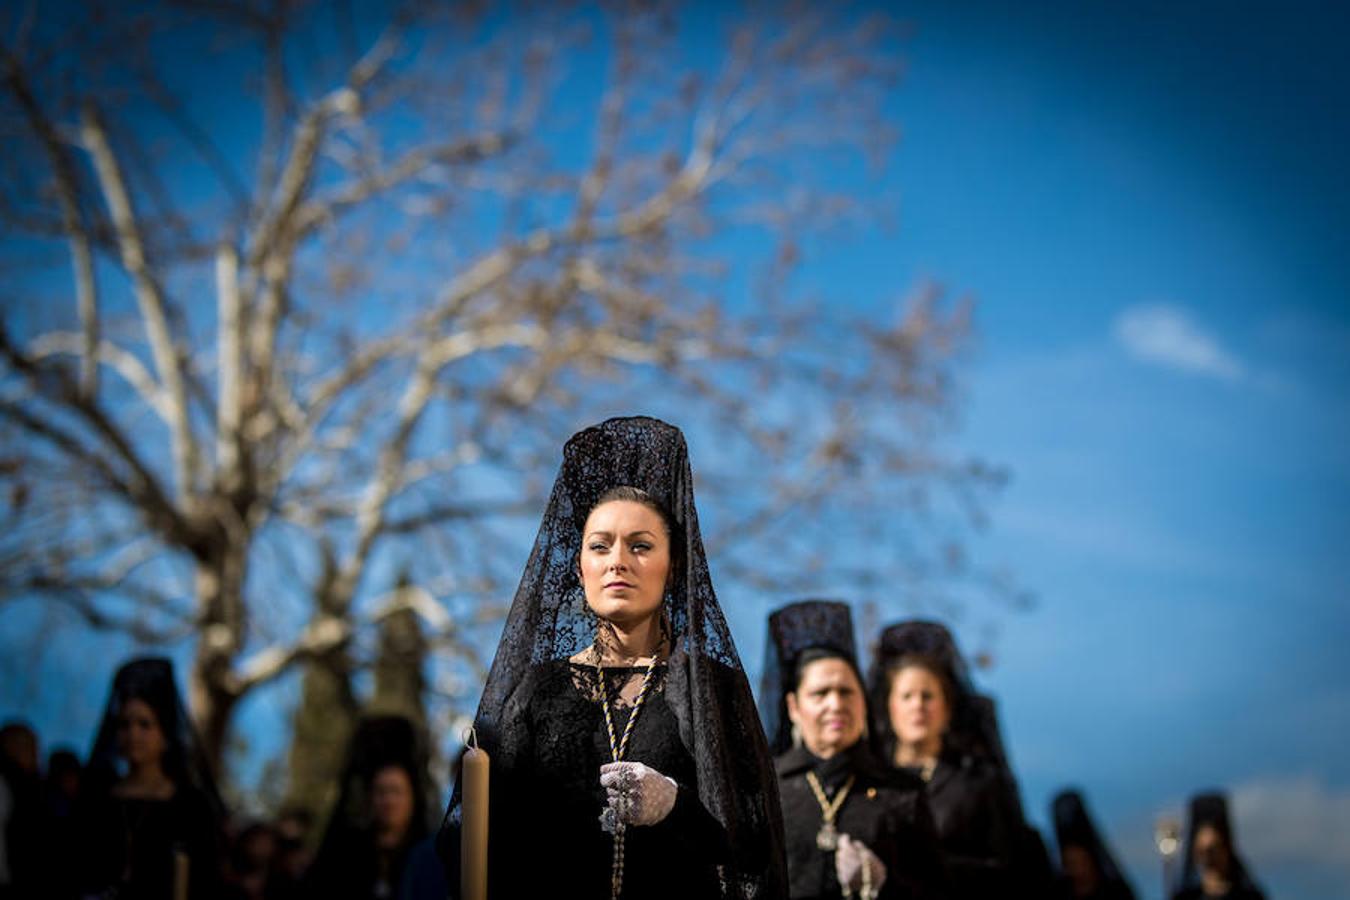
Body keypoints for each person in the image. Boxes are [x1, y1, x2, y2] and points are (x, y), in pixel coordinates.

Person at [438, 415, 788, 899]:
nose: (617, 561)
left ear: (674, 565)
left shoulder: (713, 690)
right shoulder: (537, 692)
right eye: (599, 546)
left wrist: (675, 806)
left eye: (641, 546)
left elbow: (753, 851)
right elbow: (486, 847)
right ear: (579, 567)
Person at [762, 600, 948, 900]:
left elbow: (937, 891)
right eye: (820, 693)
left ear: (863, 703)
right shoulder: (767, 787)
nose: (835, 705)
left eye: (846, 692)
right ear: (794, 707)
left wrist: (882, 883)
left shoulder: (902, 792)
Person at [867, 622, 1024, 899]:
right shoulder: (870, 780)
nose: (918, 706)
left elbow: (1012, 869)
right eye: (907, 696)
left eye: (927, 696)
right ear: (890, 706)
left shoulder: (978, 782)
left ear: (947, 707)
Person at [73, 657, 226, 899]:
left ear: (165, 735)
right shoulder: (97, 799)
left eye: (145, 724)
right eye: (125, 724)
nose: (134, 734)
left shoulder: (190, 806)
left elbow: (204, 881)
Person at [305, 716, 433, 900]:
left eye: (396, 792)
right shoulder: (346, 856)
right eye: (381, 792)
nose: (389, 801)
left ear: (412, 798)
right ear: (370, 798)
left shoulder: (426, 857)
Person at [1170, 792, 1265, 900]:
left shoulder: (1249, 896)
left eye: (1214, 849)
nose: (1209, 859)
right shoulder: (1186, 896)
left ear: (1226, 847)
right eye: (1202, 852)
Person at [1051, 789, 1135, 900]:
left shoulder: (1115, 891)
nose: (1077, 870)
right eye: (1070, 864)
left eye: (1081, 862)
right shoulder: (1062, 893)